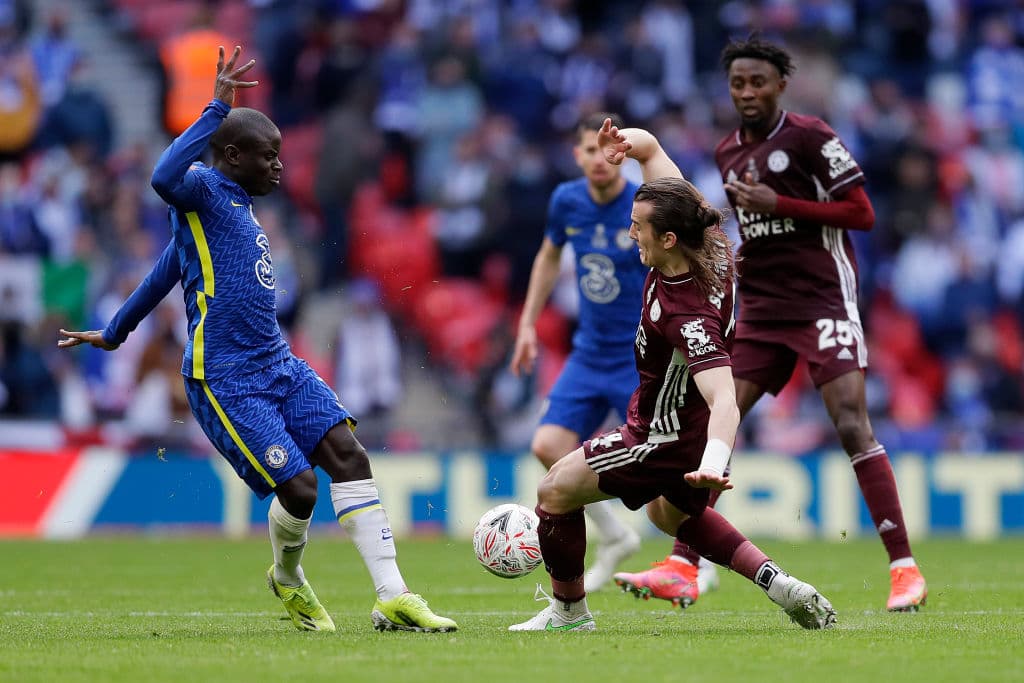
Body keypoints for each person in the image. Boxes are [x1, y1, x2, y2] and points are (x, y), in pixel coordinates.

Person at [57, 46, 456, 634]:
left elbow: (168, 268)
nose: (278, 168)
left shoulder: (235, 208)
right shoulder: (198, 189)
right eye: (268, 157)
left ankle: (393, 594)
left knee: (350, 454)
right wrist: (216, 107)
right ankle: (289, 580)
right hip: (224, 375)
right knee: (299, 489)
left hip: (277, 362)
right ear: (232, 155)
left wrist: (117, 331)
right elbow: (161, 176)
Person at [613, 36, 927, 613]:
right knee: (716, 417)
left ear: (781, 84)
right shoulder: (727, 150)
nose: (748, 92)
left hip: (824, 299)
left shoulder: (811, 137)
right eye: (738, 84)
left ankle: (903, 567)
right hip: (762, 308)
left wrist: (779, 205)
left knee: (851, 422)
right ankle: (684, 564)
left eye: (758, 82)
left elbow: (862, 213)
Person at [508, 118, 836, 632]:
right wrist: (631, 147)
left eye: (637, 226)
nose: (629, 232)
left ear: (666, 237)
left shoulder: (685, 313)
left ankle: (569, 614)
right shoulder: (712, 249)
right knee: (671, 516)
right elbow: (657, 153)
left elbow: (726, 397)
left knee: (554, 492)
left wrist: (713, 462)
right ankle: (781, 585)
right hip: (683, 427)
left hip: (660, 435)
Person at [510, 112, 649, 592]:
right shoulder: (566, 200)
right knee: (546, 447)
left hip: (641, 356)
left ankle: (695, 560)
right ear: (577, 155)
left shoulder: (643, 202)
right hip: (589, 354)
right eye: (587, 150)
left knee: (665, 465)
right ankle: (615, 536)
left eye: (603, 149)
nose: (597, 159)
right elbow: (549, 256)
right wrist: (528, 323)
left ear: (621, 152)